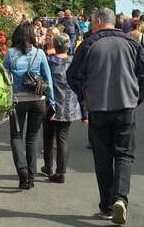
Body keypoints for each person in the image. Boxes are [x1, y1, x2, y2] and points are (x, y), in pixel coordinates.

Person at [67, 8, 144, 225]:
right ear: (113, 23)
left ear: (96, 22)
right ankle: (120, 198)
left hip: (98, 108)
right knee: (124, 155)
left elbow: (72, 75)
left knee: (102, 157)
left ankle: (106, 205)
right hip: (125, 107)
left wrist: (85, 94)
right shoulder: (131, 43)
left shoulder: (88, 44)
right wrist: (137, 97)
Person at [3, 23, 54, 190]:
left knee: (16, 137)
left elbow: (4, 78)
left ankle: (22, 172)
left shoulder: (10, 54)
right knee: (31, 138)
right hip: (38, 100)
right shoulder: (39, 53)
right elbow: (48, 79)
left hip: (17, 101)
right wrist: (52, 102)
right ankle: (31, 177)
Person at [42, 33, 83, 183]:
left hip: (52, 104)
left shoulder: (49, 62)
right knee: (62, 138)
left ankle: (48, 166)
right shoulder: (74, 63)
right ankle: (61, 172)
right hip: (69, 104)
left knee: (48, 136)